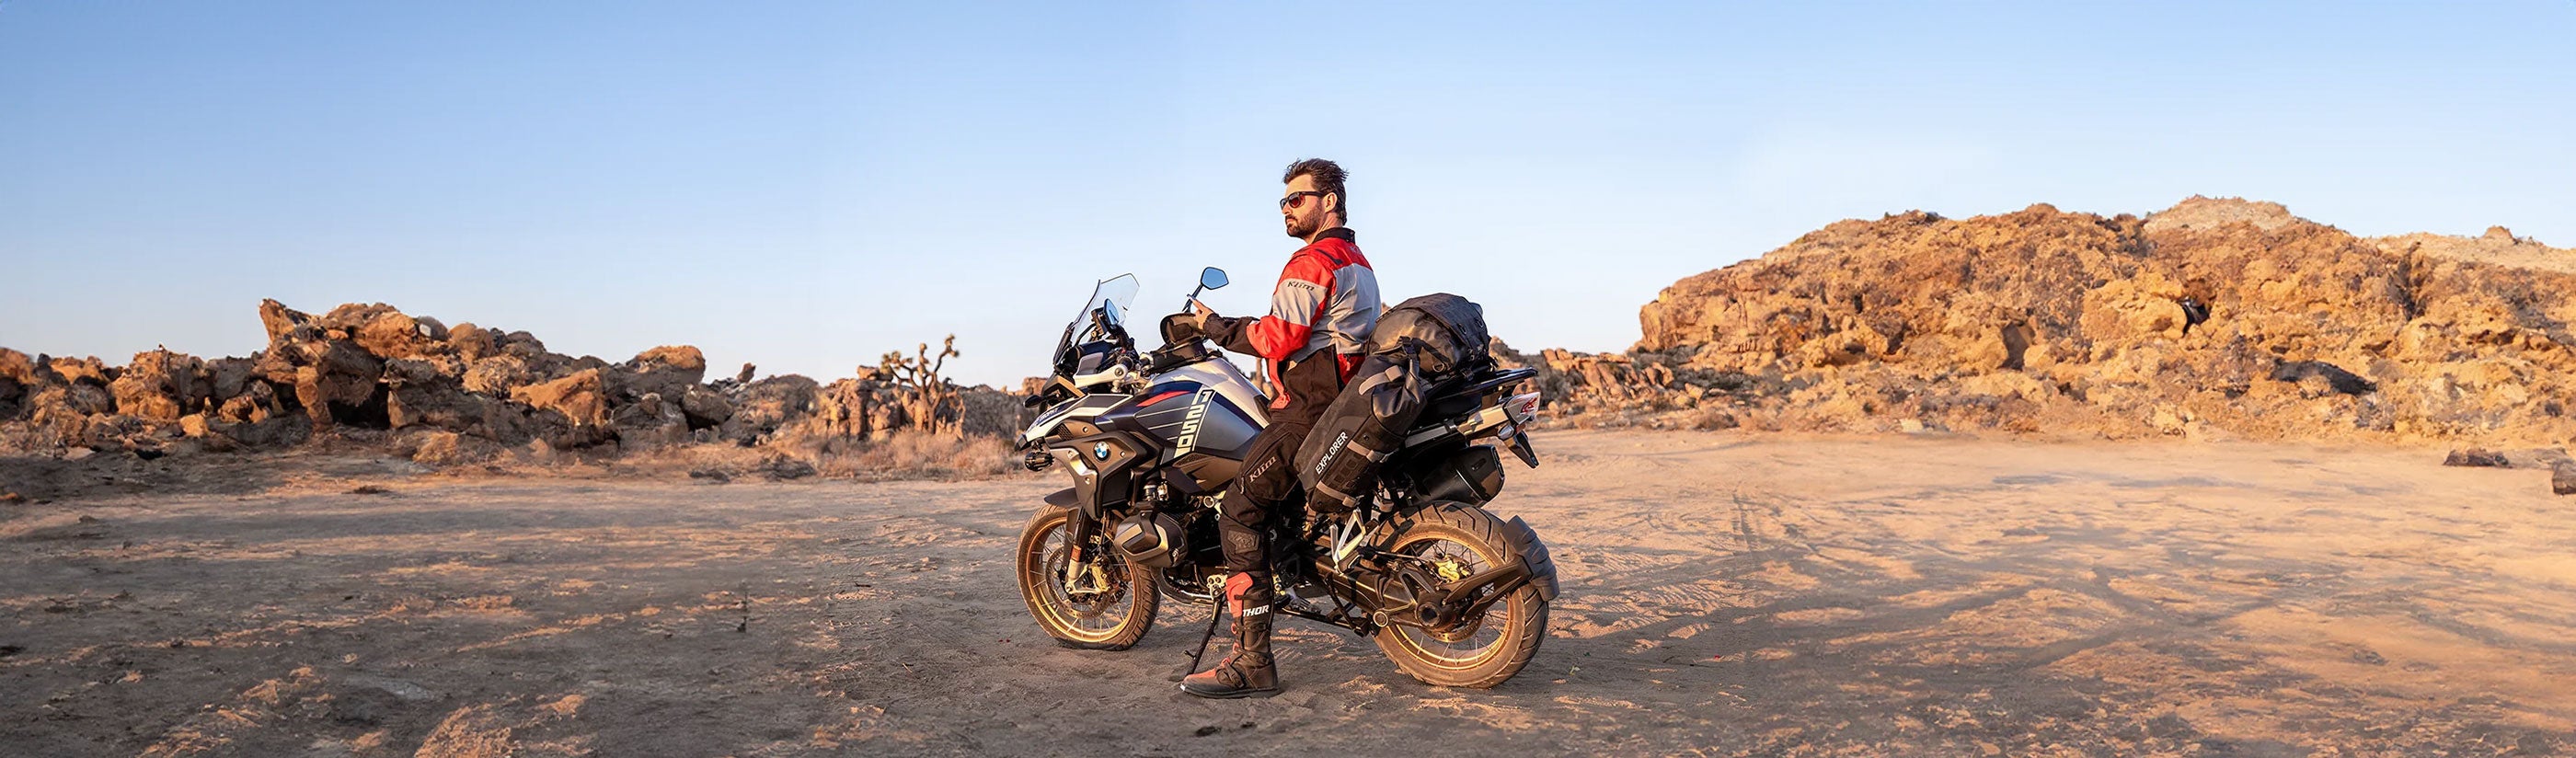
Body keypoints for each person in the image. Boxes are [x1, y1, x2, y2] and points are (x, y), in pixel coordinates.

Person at [1174, 158, 1378, 698]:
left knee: (1239, 511)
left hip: (1309, 409)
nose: (1286, 208)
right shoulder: (1358, 261)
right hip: (1338, 403)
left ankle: (1252, 662)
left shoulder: (1314, 259)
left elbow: (1277, 338)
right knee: (1275, 504)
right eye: (1282, 201)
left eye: (1296, 198)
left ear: (1329, 202)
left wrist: (1214, 326)